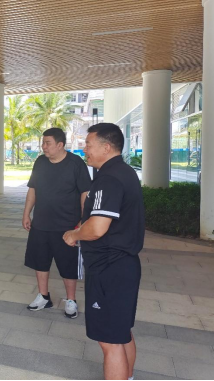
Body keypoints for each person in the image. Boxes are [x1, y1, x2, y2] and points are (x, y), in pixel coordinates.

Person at [63, 123, 144, 381]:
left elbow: (97, 228)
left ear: (106, 147)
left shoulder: (108, 178)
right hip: (124, 265)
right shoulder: (125, 172)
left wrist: (74, 234)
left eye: (88, 144)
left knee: (109, 341)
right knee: (121, 333)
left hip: (109, 268)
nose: (84, 149)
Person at [23, 128, 92, 319]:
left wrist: (82, 220)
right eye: (43, 143)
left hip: (67, 226)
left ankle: (71, 300)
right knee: (40, 261)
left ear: (60, 145)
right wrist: (26, 213)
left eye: (48, 143)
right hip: (41, 223)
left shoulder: (75, 163)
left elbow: (84, 192)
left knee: (68, 264)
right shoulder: (40, 162)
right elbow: (32, 189)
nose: (43, 147)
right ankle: (43, 296)